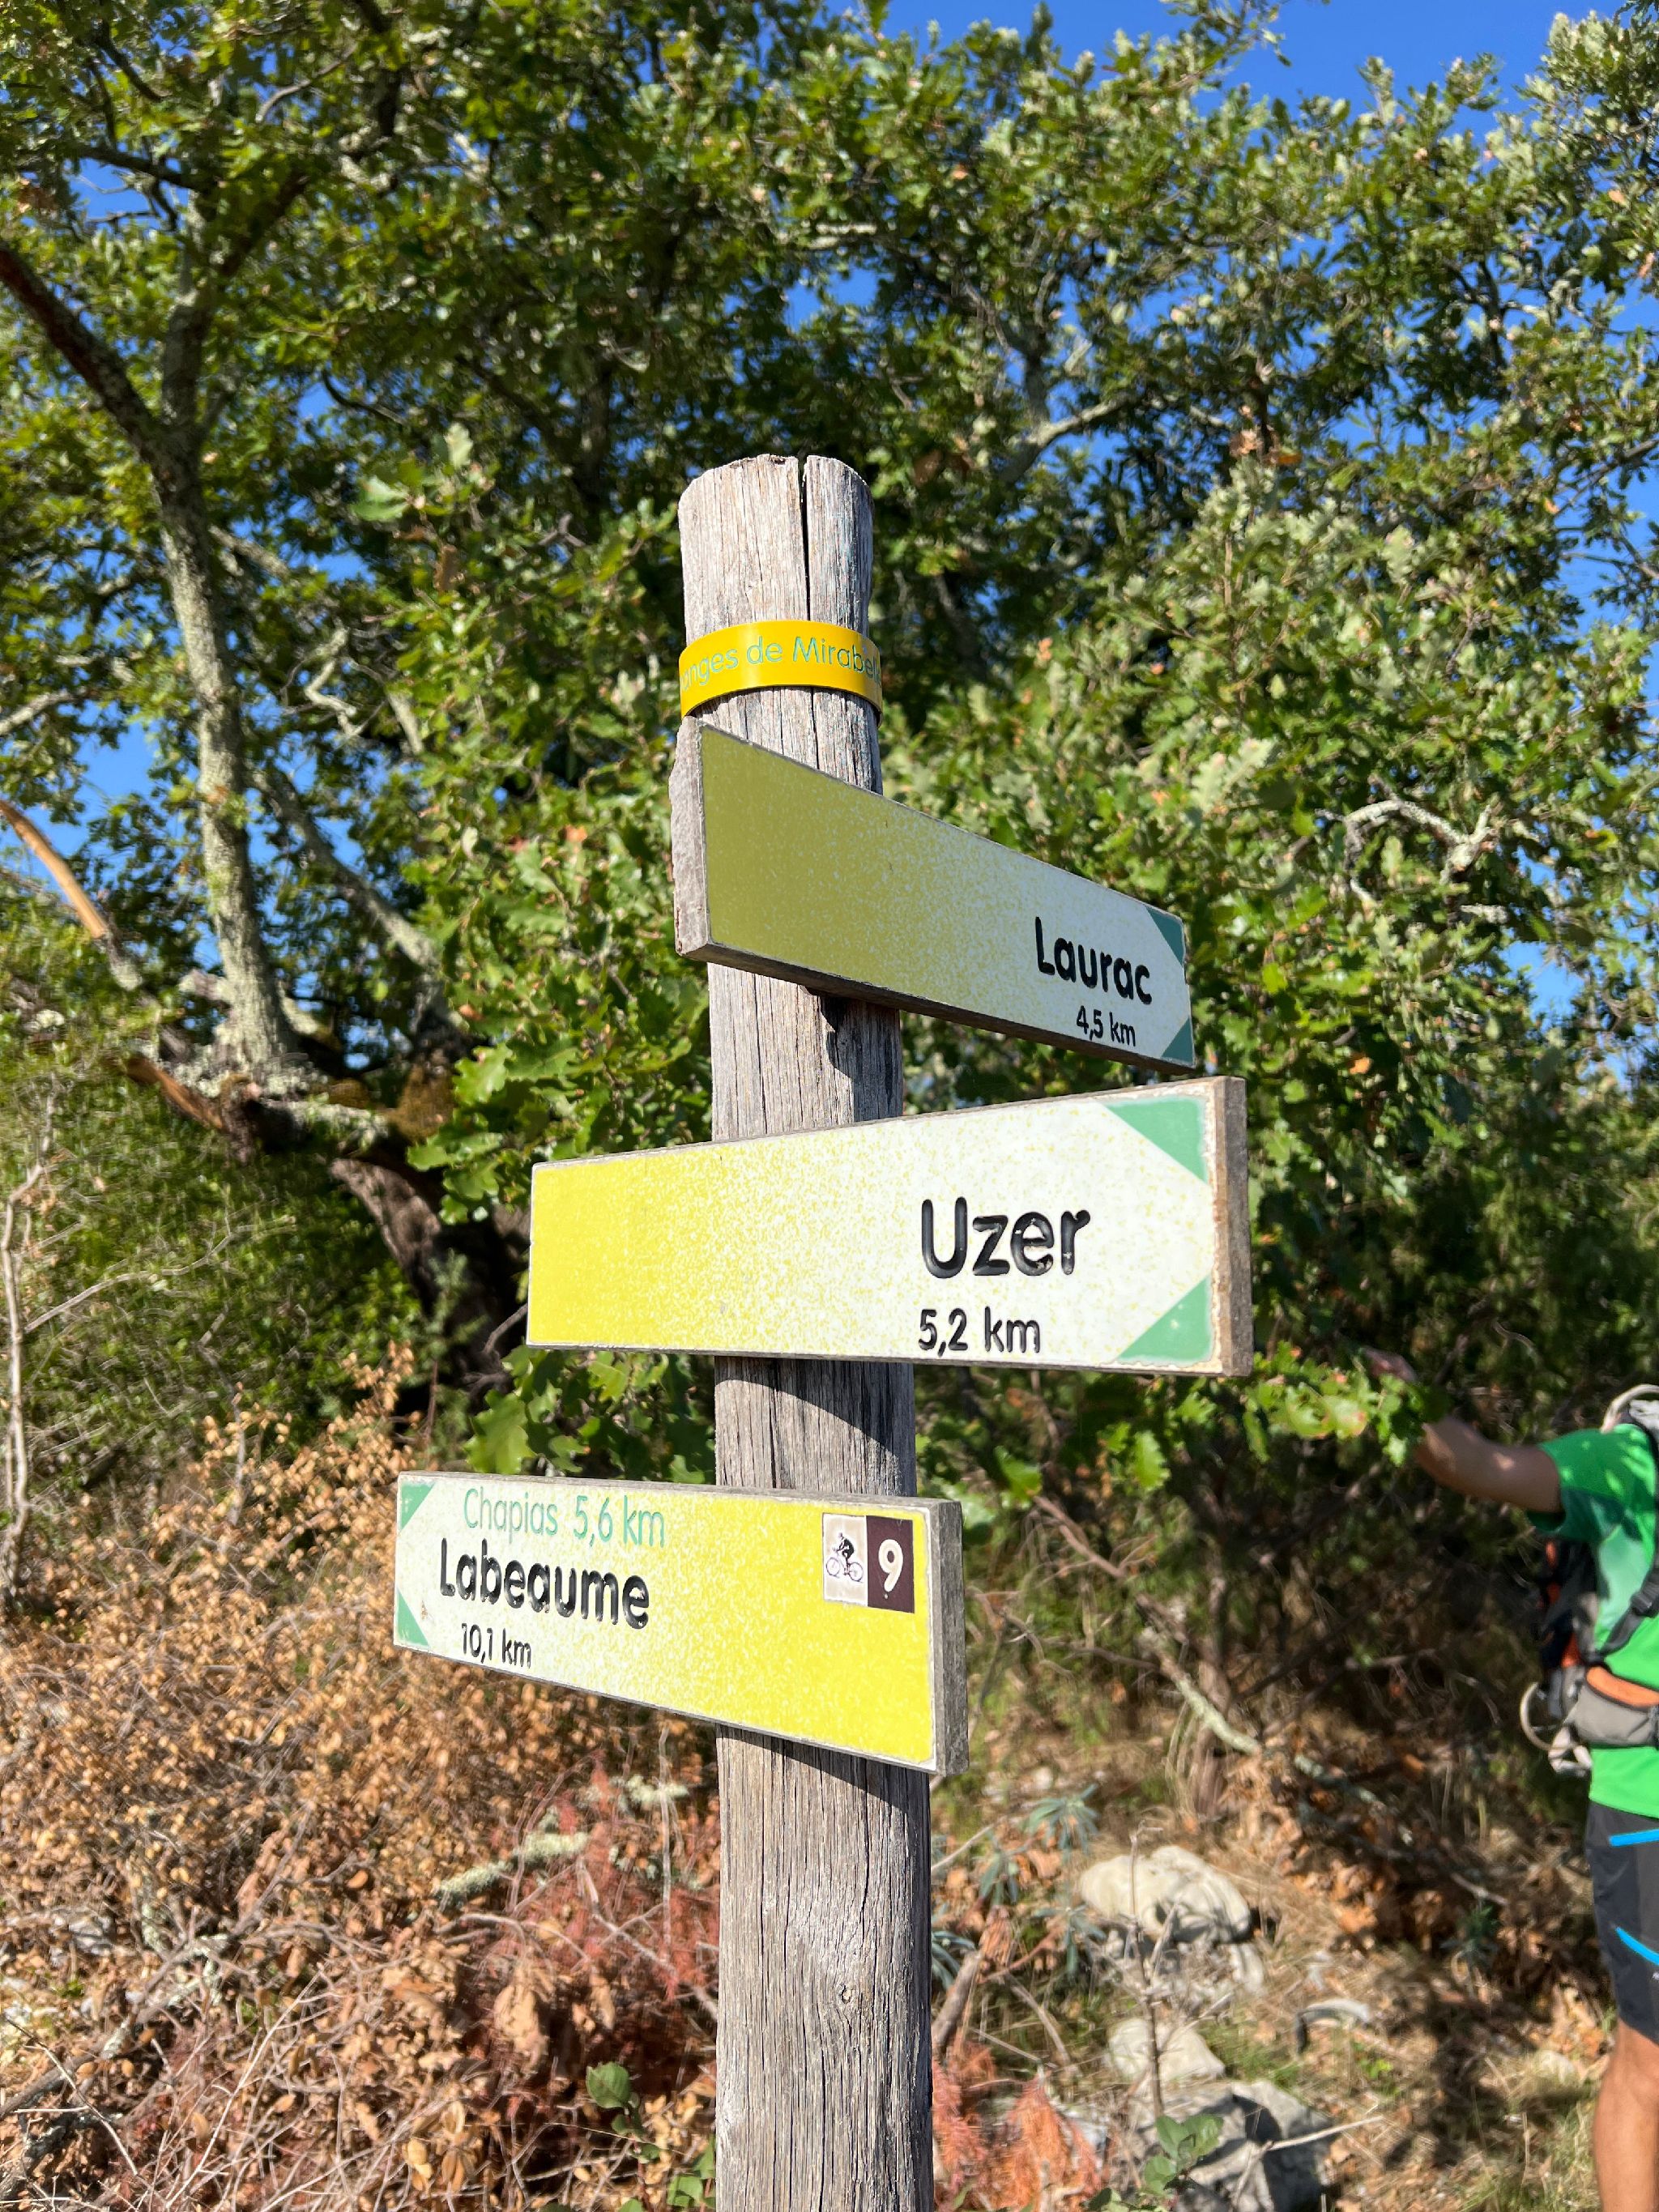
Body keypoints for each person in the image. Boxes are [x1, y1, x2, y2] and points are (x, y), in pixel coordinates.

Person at [1367, 1351, 1659, 2212]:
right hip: (1646, 1808)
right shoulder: (1631, 1462)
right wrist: (1397, 1400)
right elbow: (1481, 1465)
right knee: (1650, 2063)